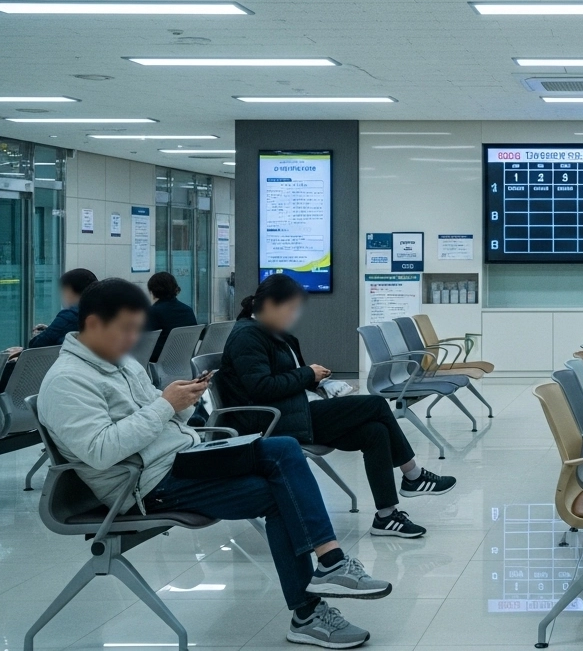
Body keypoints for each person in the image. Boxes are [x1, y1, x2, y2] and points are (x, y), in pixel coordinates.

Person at [36, 278, 390, 649]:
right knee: (279, 488)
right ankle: (310, 607)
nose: (132, 339)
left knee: (284, 450)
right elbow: (102, 450)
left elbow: (162, 418)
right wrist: (165, 406)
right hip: (146, 486)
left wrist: (183, 402)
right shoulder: (66, 382)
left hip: (182, 459)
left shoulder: (121, 364)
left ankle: (326, 570)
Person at [219, 274, 456, 538]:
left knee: (375, 431)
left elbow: (286, 376)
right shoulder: (248, 337)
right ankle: (413, 475)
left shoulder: (272, 334)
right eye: (291, 309)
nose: (295, 315)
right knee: (376, 405)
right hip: (273, 421)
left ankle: (386, 517)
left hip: (295, 410)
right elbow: (261, 388)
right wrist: (309, 374)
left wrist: (321, 383)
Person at [2, 268, 100, 391]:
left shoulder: (71, 314)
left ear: (70, 291)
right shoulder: (98, 312)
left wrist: (19, 353)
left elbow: (37, 345)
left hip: (59, 375)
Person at [145, 271, 199, 362]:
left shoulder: (153, 312)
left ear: (153, 291)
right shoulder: (188, 310)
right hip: (184, 360)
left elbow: (145, 339)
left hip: (159, 360)